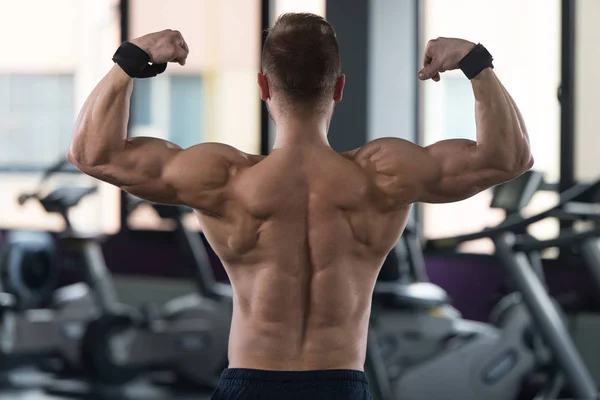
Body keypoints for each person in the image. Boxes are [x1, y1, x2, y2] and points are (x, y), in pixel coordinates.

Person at [67, 12, 533, 400]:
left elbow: (93, 153)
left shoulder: (223, 179)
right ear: (339, 88)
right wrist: (476, 62)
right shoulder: (386, 174)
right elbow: (510, 158)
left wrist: (131, 59)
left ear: (263, 87)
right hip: (341, 383)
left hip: (250, 381)